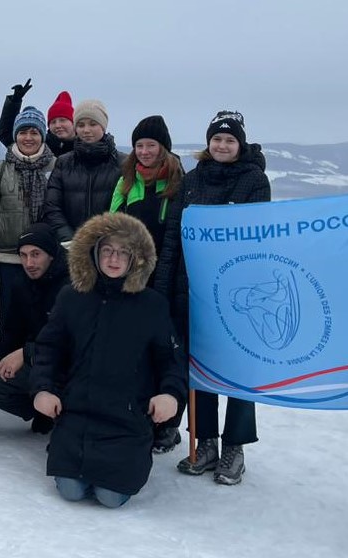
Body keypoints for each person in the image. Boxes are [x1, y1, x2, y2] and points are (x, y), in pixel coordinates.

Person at [30, 212, 186, 508]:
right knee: (71, 491)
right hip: (77, 412)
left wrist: (170, 395)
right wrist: (42, 388)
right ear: (94, 252)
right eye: (107, 250)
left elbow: (171, 359)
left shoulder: (152, 305)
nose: (114, 259)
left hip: (126, 419)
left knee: (111, 496)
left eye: (123, 252)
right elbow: (48, 348)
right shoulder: (71, 297)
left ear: (136, 258)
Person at [154, 110, 270, 484]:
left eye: (229, 140)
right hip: (191, 290)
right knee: (197, 370)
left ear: (240, 144)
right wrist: (164, 289)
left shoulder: (254, 181)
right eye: (216, 139)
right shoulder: (192, 180)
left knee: (235, 371)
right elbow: (173, 236)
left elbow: (259, 240)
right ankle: (205, 442)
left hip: (237, 295)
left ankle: (234, 447)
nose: (221, 145)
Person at [109, 115, 186, 452]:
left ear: (163, 147)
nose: (143, 151)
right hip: (130, 279)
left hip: (166, 280)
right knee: (133, 350)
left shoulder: (179, 182)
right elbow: (111, 225)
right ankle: (140, 414)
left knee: (166, 350)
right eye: (139, 145)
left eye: (150, 145)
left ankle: (169, 423)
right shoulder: (126, 182)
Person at [0, 223, 68, 434]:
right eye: (23, 255)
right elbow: (11, 331)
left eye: (36, 254)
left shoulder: (72, 286)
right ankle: (44, 412)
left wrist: (26, 354)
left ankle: (69, 416)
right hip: (36, 361)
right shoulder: (20, 284)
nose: (29, 262)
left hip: (68, 367)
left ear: (52, 254)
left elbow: (71, 344)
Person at [0, 106, 56, 328]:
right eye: (23, 132)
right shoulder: (1, 169)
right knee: (9, 319)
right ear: (15, 136)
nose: (28, 138)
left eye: (34, 132)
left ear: (42, 135)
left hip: (44, 260)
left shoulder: (56, 167)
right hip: (7, 260)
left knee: (42, 318)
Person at [43, 99, 123, 243]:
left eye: (93, 124)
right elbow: (53, 206)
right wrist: (68, 239)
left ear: (103, 126)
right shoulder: (64, 162)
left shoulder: (122, 163)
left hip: (110, 248)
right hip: (69, 247)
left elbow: (128, 209)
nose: (86, 130)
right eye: (80, 125)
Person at [0, 80, 75, 157]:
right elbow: (6, 134)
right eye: (53, 122)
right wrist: (14, 103)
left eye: (62, 120)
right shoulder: (40, 144)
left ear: (74, 122)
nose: (57, 125)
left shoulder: (85, 146)